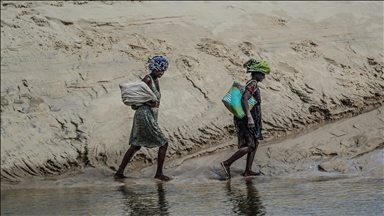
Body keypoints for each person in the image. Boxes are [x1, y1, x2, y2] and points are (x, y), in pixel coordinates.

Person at [114, 56, 172, 181]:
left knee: (136, 145)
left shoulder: (155, 79)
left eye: (163, 70)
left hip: (149, 115)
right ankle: (159, 174)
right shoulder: (147, 79)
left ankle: (119, 172)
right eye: (159, 70)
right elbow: (136, 98)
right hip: (144, 115)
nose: (161, 73)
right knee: (163, 143)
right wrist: (150, 104)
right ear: (153, 68)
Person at [221, 59, 270, 179]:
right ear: (256, 73)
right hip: (247, 119)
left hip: (251, 118)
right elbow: (244, 99)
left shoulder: (253, 83)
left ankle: (248, 170)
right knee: (251, 144)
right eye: (262, 74)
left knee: (255, 143)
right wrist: (249, 117)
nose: (263, 77)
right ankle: (227, 163)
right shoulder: (252, 84)